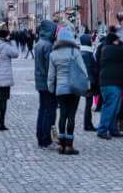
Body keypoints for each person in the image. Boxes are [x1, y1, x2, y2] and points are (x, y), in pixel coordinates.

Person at [47, 26, 89, 155]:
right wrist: (86, 84)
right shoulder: (74, 52)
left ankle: (62, 145)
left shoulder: (53, 54)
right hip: (73, 88)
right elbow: (83, 70)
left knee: (62, 115)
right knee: (71, 115)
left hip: (60, 88)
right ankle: (69, 146)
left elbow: (51, 75)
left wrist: (51, 88)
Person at [95, 27, 123, 139]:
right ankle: (102, 130)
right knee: (109, 108)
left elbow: (119, 62)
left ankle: (113, 129)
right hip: (111, 84)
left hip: (111, 83)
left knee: (114, 108)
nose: (118, 43)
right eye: (117, 41)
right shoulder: (110, 49)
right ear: (113, 41)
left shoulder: (108, 50)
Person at [31, 19, 57, 149]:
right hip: (47, 82)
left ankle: (40, 136)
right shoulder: (47, 45)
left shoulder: (39, 43)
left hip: (40, 81)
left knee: (42, 110)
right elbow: (50, 67)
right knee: (48, 111)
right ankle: (46, 139)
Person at [78, 33, 98, 132]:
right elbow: (90, 69)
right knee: (88, 103)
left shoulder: (82, 53)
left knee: (88, 103)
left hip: (86, 81)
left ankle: (88, 123)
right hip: (89, 82)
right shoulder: (87, 54)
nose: (92, 42)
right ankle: (87, 124)